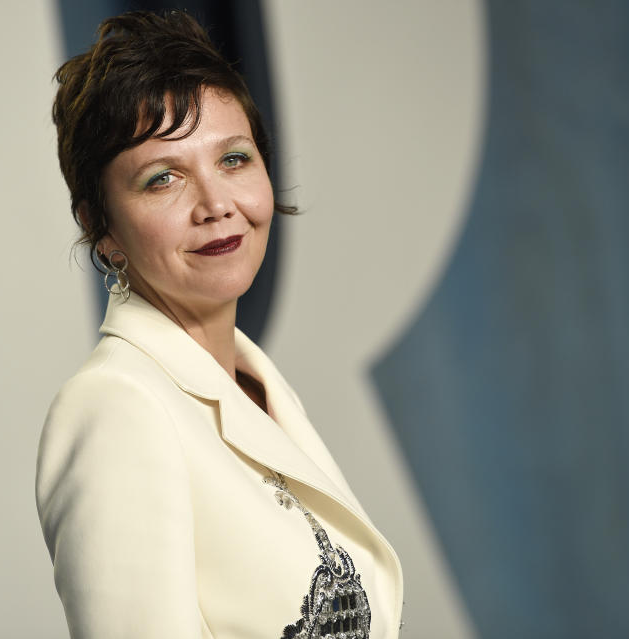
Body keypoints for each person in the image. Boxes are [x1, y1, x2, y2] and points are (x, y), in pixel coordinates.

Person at [35, 10, 403, 639]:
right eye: (163, 179)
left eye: (233, 159)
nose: (216, 205)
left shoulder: (255, 383)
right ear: (100, 225)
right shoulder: (115, 407)